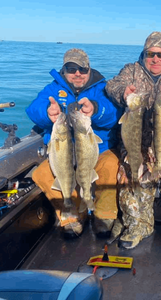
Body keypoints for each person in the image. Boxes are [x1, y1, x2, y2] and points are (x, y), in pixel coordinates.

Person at [105, 32, 161, 255]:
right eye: (150, 54)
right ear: (144, 54)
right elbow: (112, 85)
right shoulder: (131, 70)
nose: (155, 58)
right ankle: (138, 225)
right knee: (130, 176)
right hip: (137, 142)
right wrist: (122, 92)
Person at [26, 48, 123, 239]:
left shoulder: (102, 88)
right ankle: (72, 216)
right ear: (64, 71)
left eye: (82, 69)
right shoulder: (53, 89)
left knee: (112, 165)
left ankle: (103, 217)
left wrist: (96, 109)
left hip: (97, 150)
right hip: (63, 154)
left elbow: (114, 114)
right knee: (42, 174)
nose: (77, 73)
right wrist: (47, 112)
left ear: (89, 69)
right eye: (71, 69)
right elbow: (33, 109)